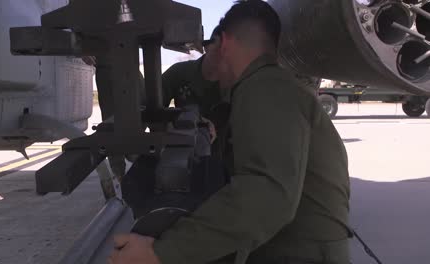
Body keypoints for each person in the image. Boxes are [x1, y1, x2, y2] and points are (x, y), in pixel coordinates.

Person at [109, 1, 351, 263]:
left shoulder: (265, 90)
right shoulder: (269, 86)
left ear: (223, 43)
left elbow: (266, 195)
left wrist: (160, 253)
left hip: (296, 253)